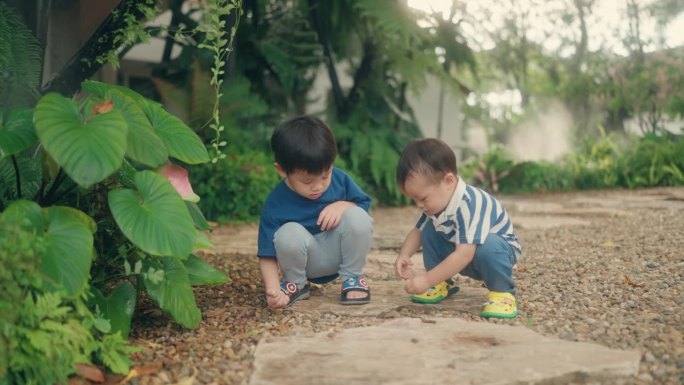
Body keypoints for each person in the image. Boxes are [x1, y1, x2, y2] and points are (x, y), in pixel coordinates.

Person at [393, 138, 521, 318]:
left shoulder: (471, 204)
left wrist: (426, 280)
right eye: (414, 200)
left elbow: (464, 254)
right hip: (463, 250)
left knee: (488, 245)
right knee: (429, 228)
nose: (419, 205)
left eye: (423, 198)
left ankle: (503, 292)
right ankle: (443, 283)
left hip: (497, 253)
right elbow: (418, 231)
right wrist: (404, 254)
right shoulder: (436, 206)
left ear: (448, 181)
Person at [257, 115, 374, 309]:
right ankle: (296, 284)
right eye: (307, 181)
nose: (318, 187)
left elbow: (363, 205)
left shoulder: (340, 180)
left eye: (325, 176)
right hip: (305, 262)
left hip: (340, 254)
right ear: (282, 170)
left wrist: (343, 205)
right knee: (288, 232)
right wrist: (272, 289)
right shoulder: (275, 204)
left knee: (358, 215)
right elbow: (266, 253)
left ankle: (353, 277)